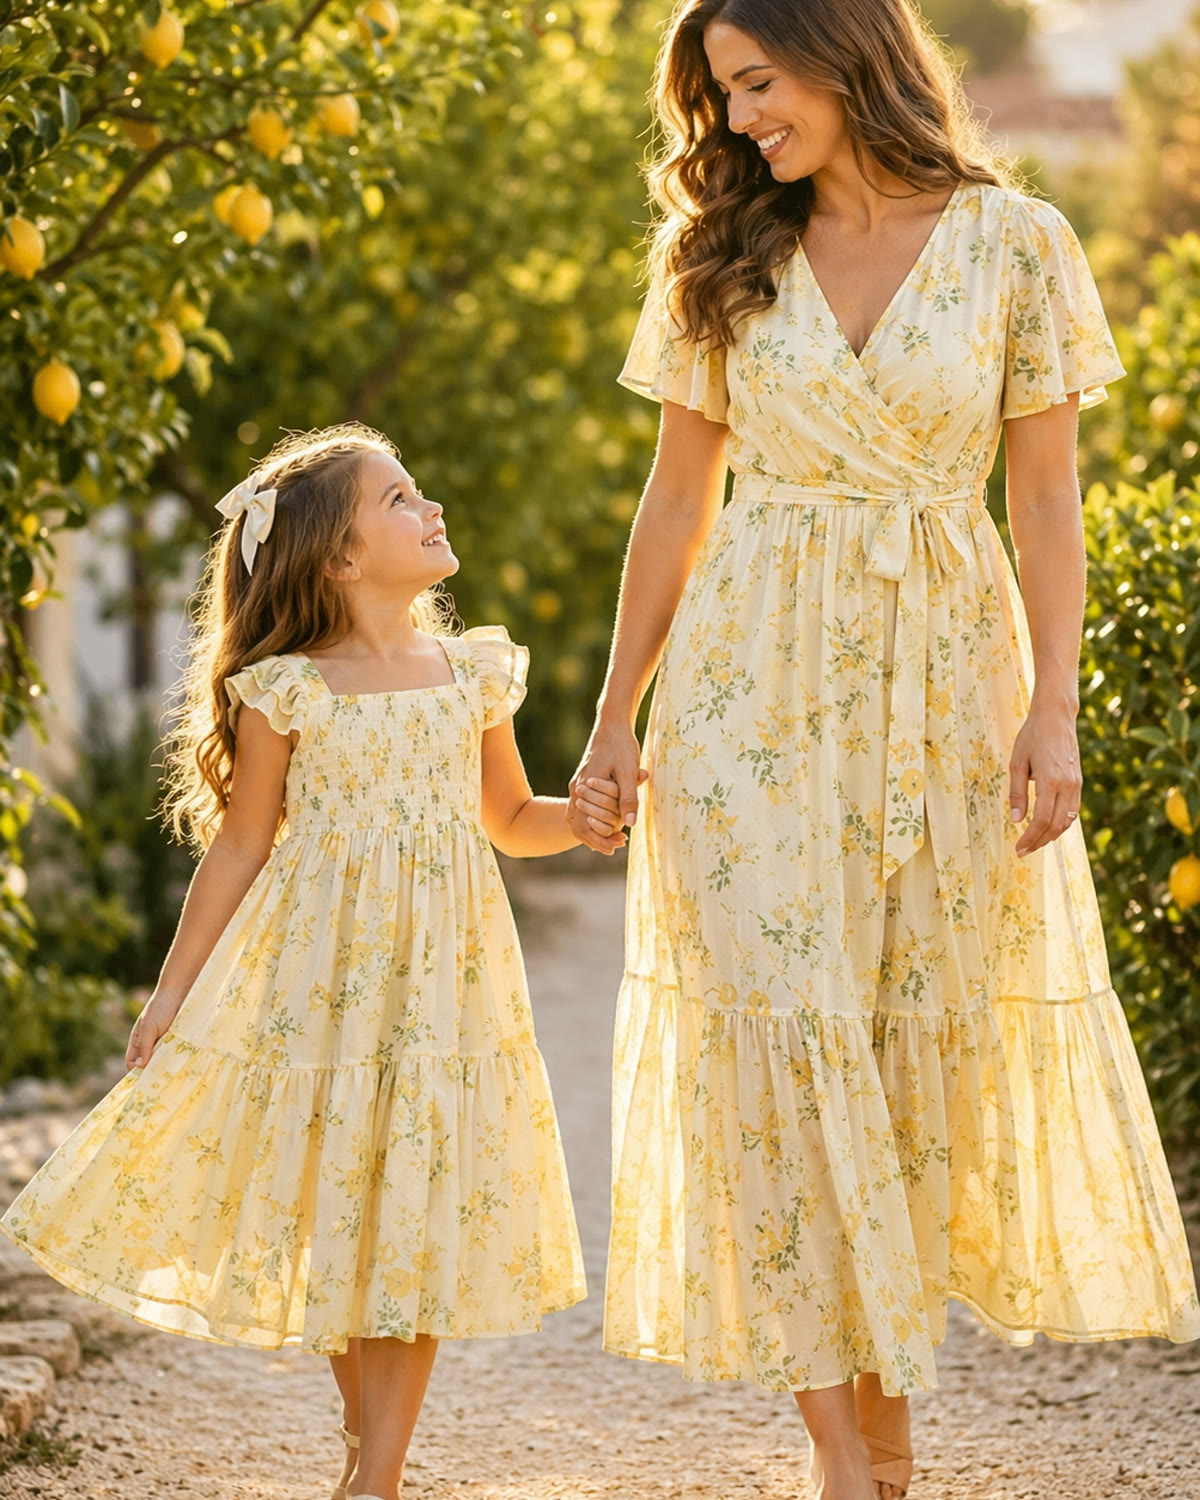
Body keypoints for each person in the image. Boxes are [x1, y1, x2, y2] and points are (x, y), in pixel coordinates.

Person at [566, 3, 1200, 1498]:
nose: (739, 122)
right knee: (780, 1046)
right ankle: (843, 1457)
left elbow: (1045, 502)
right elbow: (677, 503)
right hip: (744, 696)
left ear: (844, 53)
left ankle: (891, 1432)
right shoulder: (716, 255)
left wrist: (1052, 708)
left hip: (946, 692)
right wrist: (613, 718)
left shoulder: (1017, 245)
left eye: (756, 84)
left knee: (920, 1054)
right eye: (720, 99)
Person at [0, 423, 625, 1500]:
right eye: (399, 499)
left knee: (413, 1211)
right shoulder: (286, 690)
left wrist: (587, 819)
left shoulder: (469, 674)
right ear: (339, 558)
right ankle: (365, 1439)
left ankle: (376, 1476)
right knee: (346, 1210)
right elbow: (242, 845)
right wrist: (172, 993)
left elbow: (511, 818)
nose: (430, 507)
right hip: (320, 988)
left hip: (444, 987)